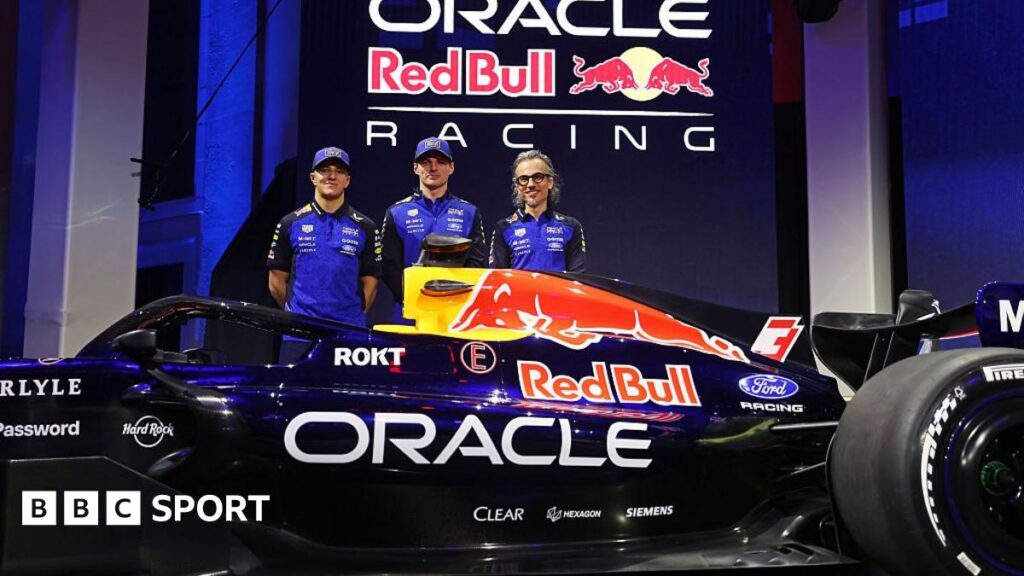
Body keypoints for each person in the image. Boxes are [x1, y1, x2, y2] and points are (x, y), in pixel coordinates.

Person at [267, 146, 381, 359]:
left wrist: (351, 316)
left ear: (347, 180)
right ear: (313, 177)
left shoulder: (365, 226)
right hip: (299, 335)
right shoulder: (290, 223)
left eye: (339, 171)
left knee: (347, 384)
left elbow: (371, 283)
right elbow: (275, 281)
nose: (332, 176)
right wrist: (298, 315)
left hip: (350, 333)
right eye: (324, 170)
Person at [380, 137, 486, 319]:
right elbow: (389, 267)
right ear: (416, 168)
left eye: (441, 162)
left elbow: (476, 263)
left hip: (455, 312)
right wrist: (412, 295)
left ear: (451, 168)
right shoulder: (397, 212)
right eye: (426, 162)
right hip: (409, 312)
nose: (433, 168)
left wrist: (451, 296)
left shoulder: (469, 212)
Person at [489, 149, 586, 272]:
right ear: (517, 186)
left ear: (550, 182)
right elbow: (497, 277)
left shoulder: (571, 226)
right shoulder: (503, 228)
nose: (530, 184)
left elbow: (578, 278)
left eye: (537, 177)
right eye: (523, 179)